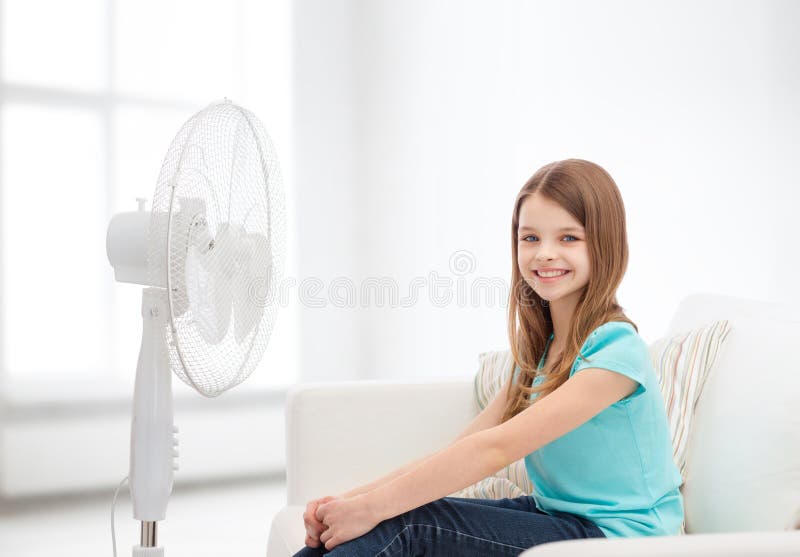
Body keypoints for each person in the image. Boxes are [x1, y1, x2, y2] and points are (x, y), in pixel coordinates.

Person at [293, 158, 684, 556]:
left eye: (568, 238)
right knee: (381, 522)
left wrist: (371, 508)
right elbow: (465, 445)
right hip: (558, 518)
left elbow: (494, 449)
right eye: (530, 238)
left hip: (622, 540)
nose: (545, 254)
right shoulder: (540, 352)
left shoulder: (615, 352)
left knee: (408, 524)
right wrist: (346, 504)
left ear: (606, 243)